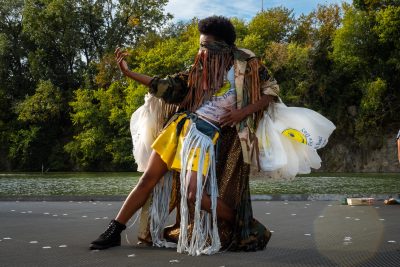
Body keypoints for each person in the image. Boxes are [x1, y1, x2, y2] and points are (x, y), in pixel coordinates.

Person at [90, 16, 334, 255]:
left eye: (206, 45)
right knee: (147, 180)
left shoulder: (247, 64)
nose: (202, 50)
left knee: (194, 194)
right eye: (200, 45)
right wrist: (129, 73)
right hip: (179, 127)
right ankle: (113, 231)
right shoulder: (199, 68)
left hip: (205, 135)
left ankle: (243, 225)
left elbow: (271, 92)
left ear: (222, 46)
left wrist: (242, 113)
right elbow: (167, 85)